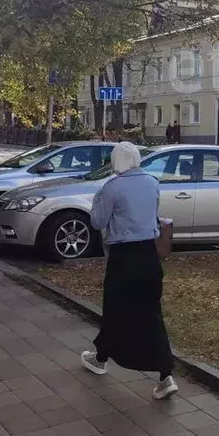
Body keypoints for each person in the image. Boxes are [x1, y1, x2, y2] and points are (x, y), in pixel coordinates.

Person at [81, 141, 177, 400]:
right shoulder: (152, 182)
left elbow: (98, 221)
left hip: (123, 257)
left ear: (116, 161)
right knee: (151, 314)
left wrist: (97, 201)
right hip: (149, 254)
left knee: (115, 310)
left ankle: (100, 359)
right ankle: (166, 376)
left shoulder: (111, 187)